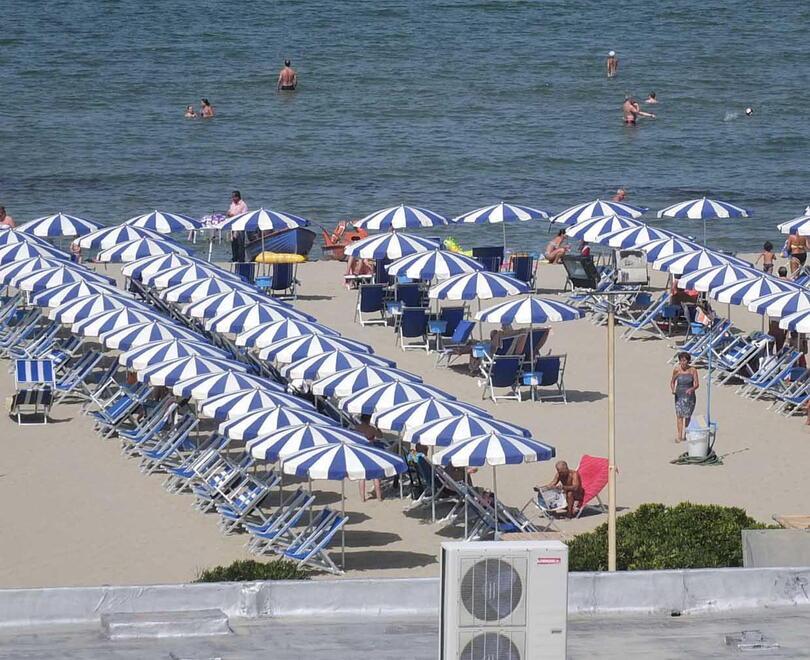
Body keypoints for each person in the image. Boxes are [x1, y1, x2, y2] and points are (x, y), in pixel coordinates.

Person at [671, 351, 699, 443]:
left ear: (688, 361)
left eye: (685, 360)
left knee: (687, 416)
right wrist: (673, 390)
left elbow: (697, 384)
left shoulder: (693, 370)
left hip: (689, 396)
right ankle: (679, 436)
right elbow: (672, 382)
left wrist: (691, 389)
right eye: (681, 361)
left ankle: (686, 435)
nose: (683, 363)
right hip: (679, 395)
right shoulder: (677, 370)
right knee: (679, 416)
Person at [356, 415, 383, 502]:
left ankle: (362, 498)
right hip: (371, 451)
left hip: (360, 452)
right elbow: (380, 436)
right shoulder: (371, 428)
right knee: (376, 475)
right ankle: (379, 497)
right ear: (368, 419)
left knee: (361, 476)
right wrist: (377, 428)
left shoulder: (357, 428)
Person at [228, 191, 248, 263]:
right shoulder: (232, 204)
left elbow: (244, 215)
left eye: (234, 197)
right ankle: (235, 257)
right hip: (233, 225)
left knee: (240, 243)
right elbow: (230, 211)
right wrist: (229, 214)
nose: (232, 198)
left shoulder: (243, 205)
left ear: (238, 197)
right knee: (233, 242)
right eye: (232, 197)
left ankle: (241, 259)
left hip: (240, 226)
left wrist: (235, 216)